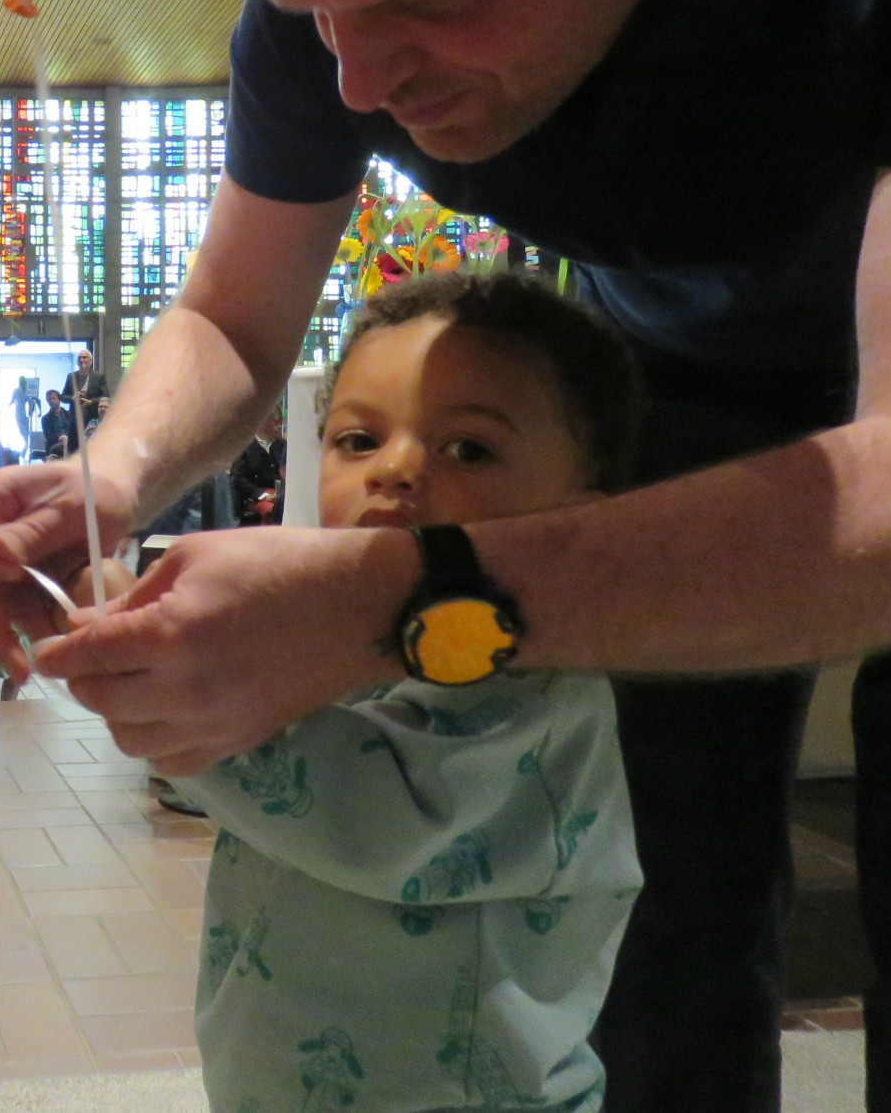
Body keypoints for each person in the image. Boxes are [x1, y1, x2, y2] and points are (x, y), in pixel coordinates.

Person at [0, 0, 891, 1109]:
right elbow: (235, 312)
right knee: (648, 918)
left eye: (432, 2)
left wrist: (406, 600)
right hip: (679, 371)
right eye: (313, 6)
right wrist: (108, 474)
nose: (359, 82)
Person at [178, 273, 644, 1111]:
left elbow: (365, 820)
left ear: (585, 517)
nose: (393, 470)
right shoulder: (344, 635)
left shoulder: (538, 690)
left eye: (467, 448)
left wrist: (177, 692)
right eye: (358, 440)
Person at [230, 406, 287, 528]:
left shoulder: (282, 445)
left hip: (280, 495)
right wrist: (261, 494)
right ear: (264, 421)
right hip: (255, 497)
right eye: (276, 422)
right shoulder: (245, 446)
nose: (279, 427)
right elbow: (239, 479)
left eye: (280, 422)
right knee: (273, 511)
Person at [60, 348, 108, 416]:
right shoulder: (71, 376)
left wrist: (91, 401)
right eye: (79, 358)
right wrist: (72, 398)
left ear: (90, 361)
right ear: (77, 362)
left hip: (93, 416)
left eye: (84, 358)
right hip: (75, 417)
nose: (81, 360)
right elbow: (63, 397)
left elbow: (106, 397)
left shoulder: (98, 377)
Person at [39, 388, 73, 460]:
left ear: (59, 399)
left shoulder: (69, 414)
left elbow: (73, 431)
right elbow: (49, 436)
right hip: (55, 444)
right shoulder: (45, 419)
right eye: (49, 399)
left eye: (54, 398)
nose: (51, 401)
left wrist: (67, 438)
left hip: (70, 442)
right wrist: (61, 438)